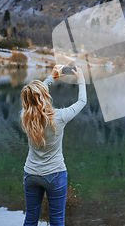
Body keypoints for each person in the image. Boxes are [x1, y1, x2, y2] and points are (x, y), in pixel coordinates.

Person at [21, 64, 86, 226]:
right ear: (45, 96)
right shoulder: (60, 117)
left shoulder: (25, 117)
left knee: (30, 218)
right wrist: (81, 80)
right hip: (55, 174)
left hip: (30, 174)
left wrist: (50, 78)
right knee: (57, 219)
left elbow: (33, 97)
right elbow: (82, 101)